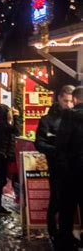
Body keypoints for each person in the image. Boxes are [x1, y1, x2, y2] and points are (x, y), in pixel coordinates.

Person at [35, 85, 74, 244]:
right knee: (56, 200)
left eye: (71, 101)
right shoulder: (47, 120)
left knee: (70, 202)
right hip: (57, 167)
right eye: (65, 101)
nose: (69, 104)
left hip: (73, 168)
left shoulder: (74, 118)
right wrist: (57, 151)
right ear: (58, 99)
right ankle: (53, 233)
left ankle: (67, 234)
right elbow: (39, 143)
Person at [56, 86, 83, 250]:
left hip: (72, 172)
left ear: (74, 100)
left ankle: (65, 243)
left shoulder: (68, 115)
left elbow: (61, 146)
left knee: (67, 210)